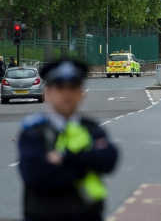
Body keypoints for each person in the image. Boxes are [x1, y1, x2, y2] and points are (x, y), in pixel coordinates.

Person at [17, 60, 119, 221]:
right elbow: (35, 175)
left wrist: (64, 158)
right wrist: (87, 164)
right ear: (48, 94)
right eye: (60, 88)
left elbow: (110, 159)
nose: (67, 93)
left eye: (72, 88)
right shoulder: (34, 132)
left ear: (81, 93)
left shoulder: (91, 128)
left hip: (87, 215)